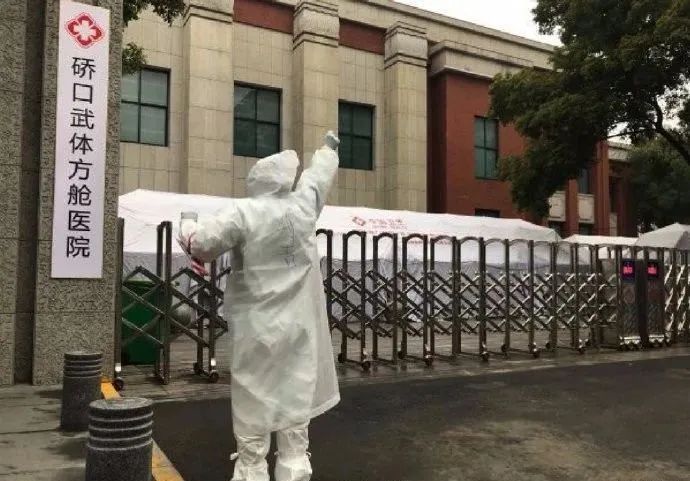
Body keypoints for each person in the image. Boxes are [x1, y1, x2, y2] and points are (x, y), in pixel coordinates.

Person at [178, 132, 341, 481]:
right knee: (295, 393)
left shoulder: (244, 212)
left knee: (254, 396)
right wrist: (328, 149)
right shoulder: (302, 207)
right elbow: (317, 179)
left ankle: (252, 469)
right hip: (298, 325)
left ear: (256, 181)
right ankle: (294, 466)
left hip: (256, 325)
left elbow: (203, 243)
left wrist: (186, 224)